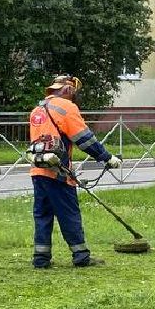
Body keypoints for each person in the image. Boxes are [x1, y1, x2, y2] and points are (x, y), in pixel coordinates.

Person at [27, 75, 122, 269]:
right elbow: (84, 139)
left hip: (38, 170)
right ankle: (81, 256)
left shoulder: (38, 109)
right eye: (74, 92)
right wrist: (107, 157)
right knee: (69, 213)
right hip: (59, 172)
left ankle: (41, 259)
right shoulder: (66, 107)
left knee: (42, 215)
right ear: (68, 90)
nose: (75, 96)